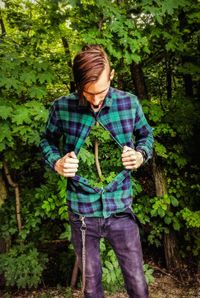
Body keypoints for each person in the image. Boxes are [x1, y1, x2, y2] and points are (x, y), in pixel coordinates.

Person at [40, 44, 153, 298]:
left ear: (111, 75)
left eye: (100, 92)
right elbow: (45, 140)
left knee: (137, 281)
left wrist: (140, 155)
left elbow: (146, 135)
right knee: (90, 287)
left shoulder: (129, 103)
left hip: (121, 209)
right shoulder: (62, 107)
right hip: (82, 212)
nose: (94, 100)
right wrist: (56, 161)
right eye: (87, 93)